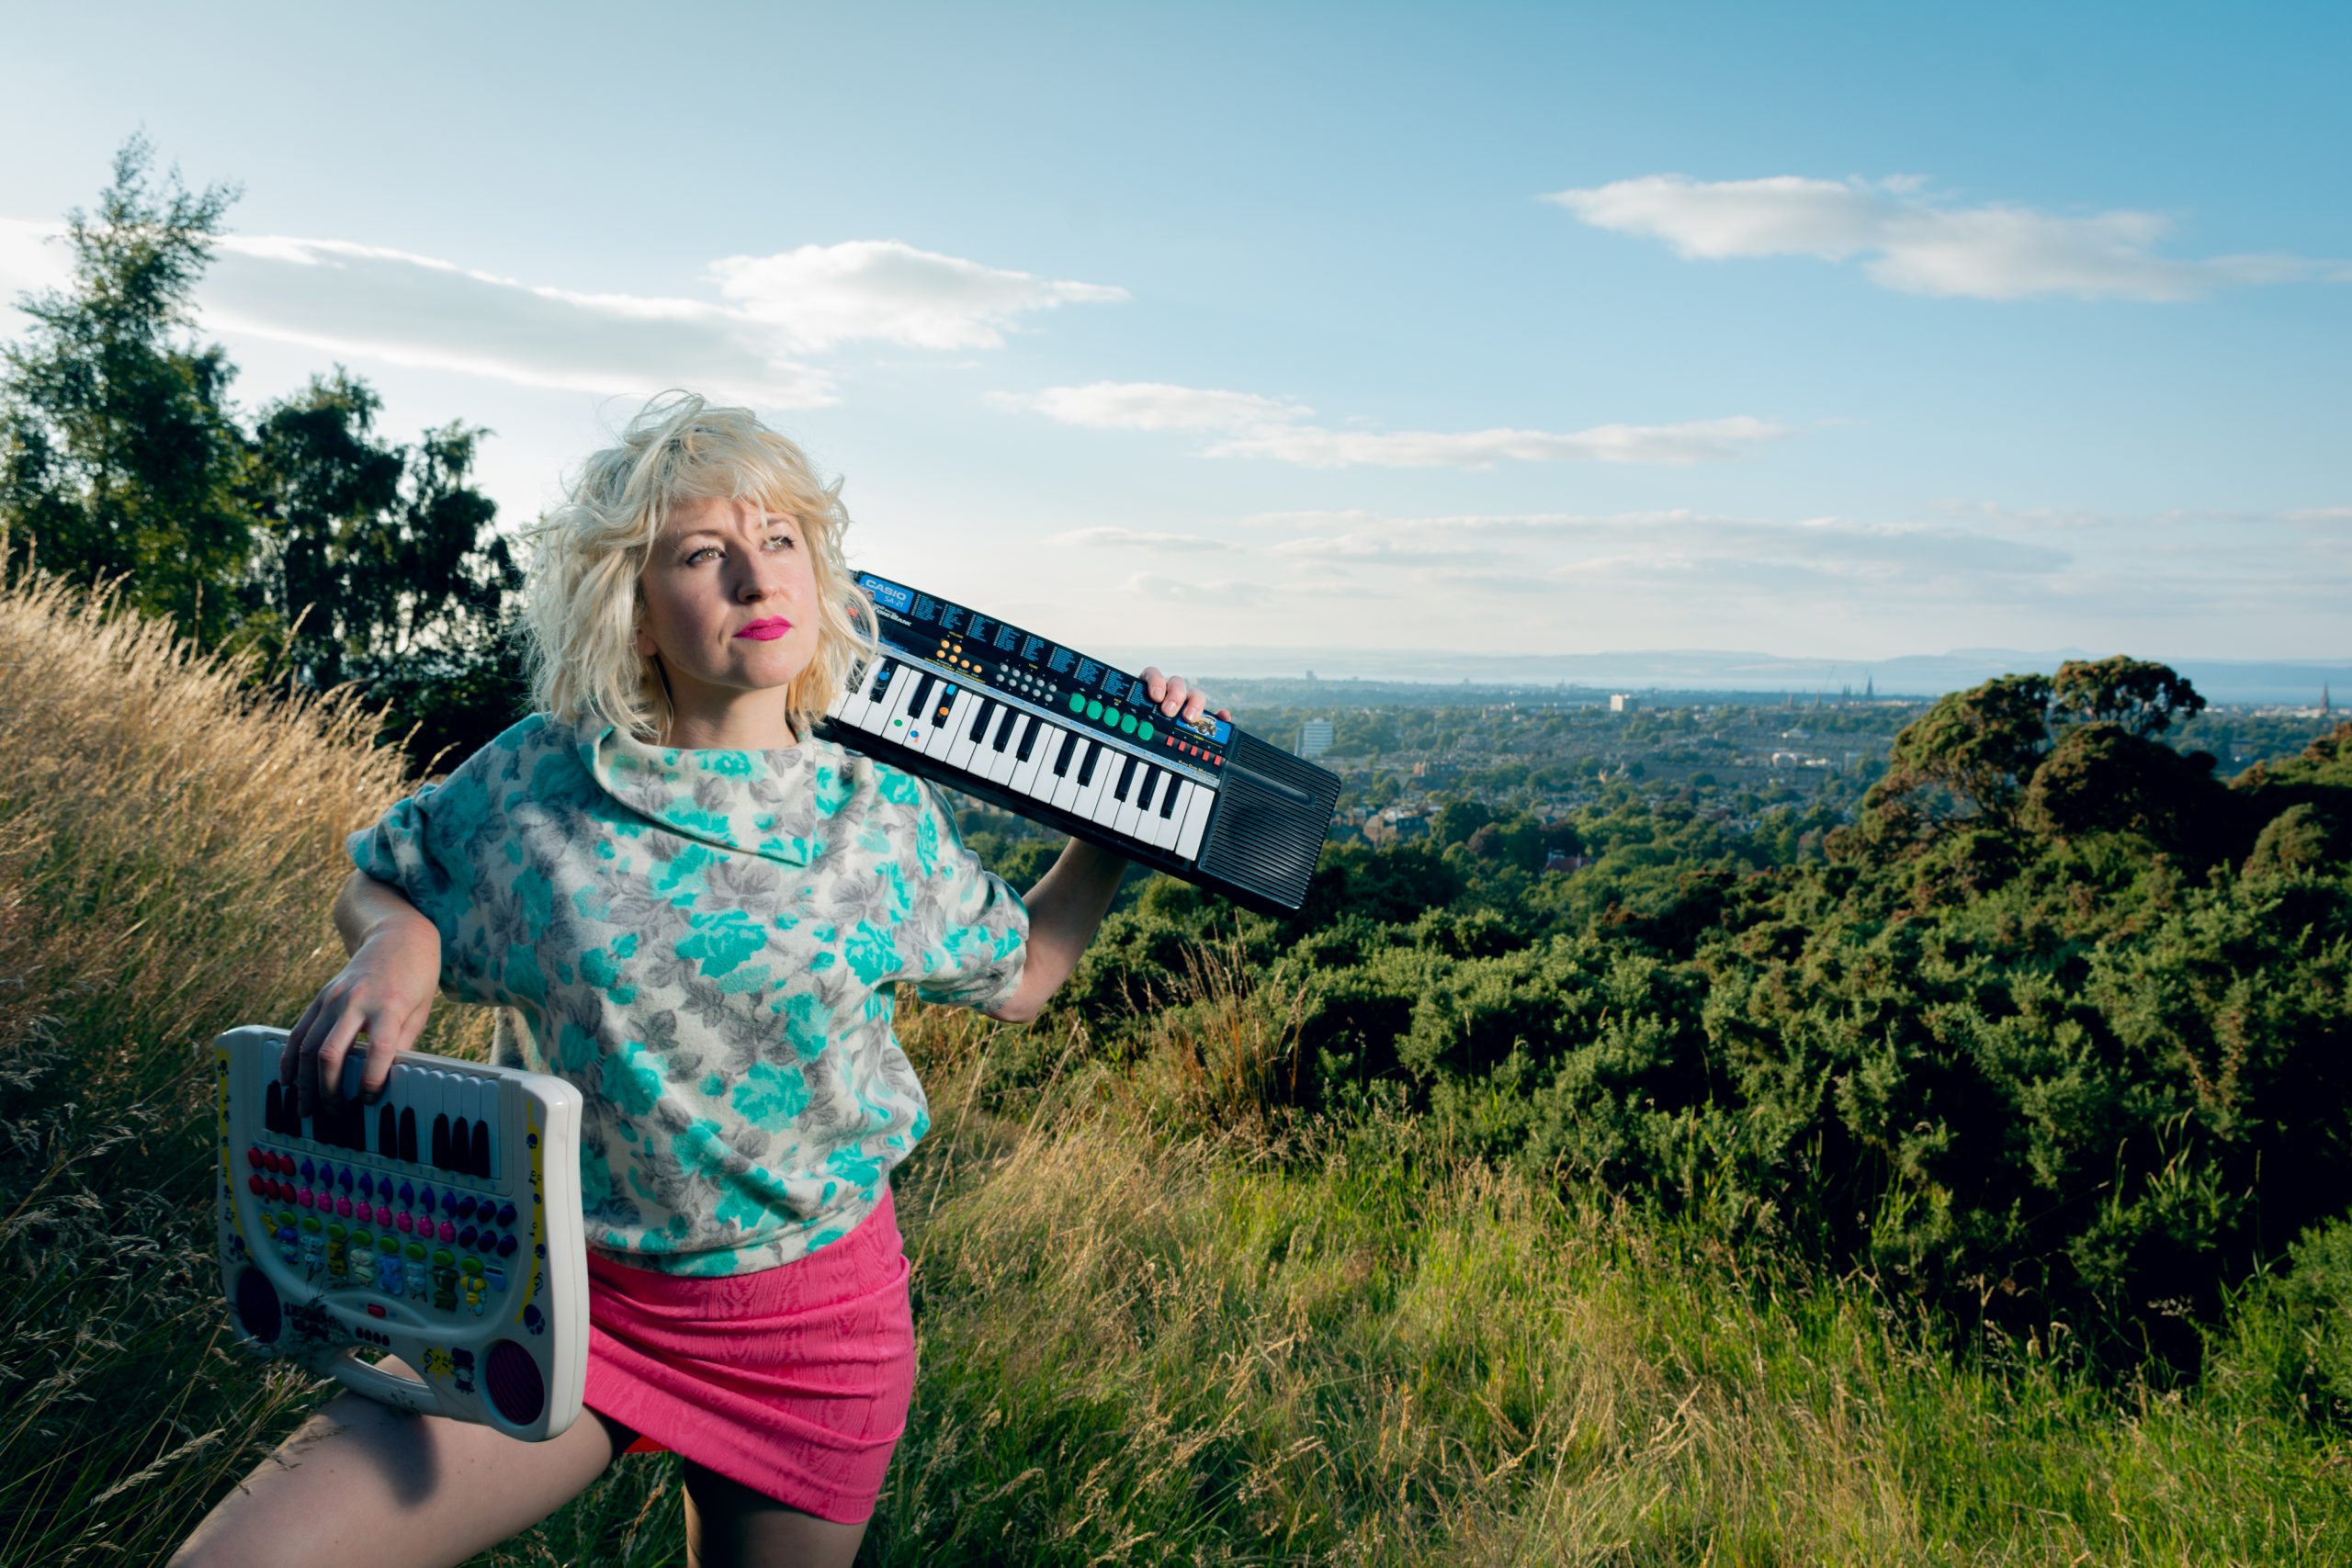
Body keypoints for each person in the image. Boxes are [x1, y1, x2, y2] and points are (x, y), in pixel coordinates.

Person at [173, 392, 1226, 1568]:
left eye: (779, 540)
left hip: (811, 1336)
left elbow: (1024, 976)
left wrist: (1128, 817)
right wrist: (396, 944)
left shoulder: (882, 819)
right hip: (556, 1293)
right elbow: (386, 881)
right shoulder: (534, 782)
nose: (755, 576)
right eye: (700, 553)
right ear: (633, 609)